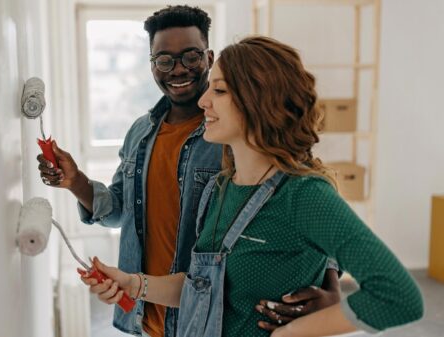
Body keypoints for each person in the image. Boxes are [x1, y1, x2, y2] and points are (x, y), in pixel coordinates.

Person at [80, 36, 424, 337]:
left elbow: (398, 297)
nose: (203, 102)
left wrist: (294, 332)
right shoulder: (220, 188)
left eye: (219, 90)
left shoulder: (302, 195)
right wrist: (134, 284)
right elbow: (202, 287)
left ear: (257, 100)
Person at [38, 6, 339, 337]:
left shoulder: (234, 133)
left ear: (209, 57)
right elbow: (121, 211)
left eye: (190, 57)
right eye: (164, 60)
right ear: (152, 65)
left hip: (213, 316)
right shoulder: (140, 132)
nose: (178, 70)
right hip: (146, 311)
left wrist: (333, 290)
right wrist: (75, 181)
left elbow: (303, 202)